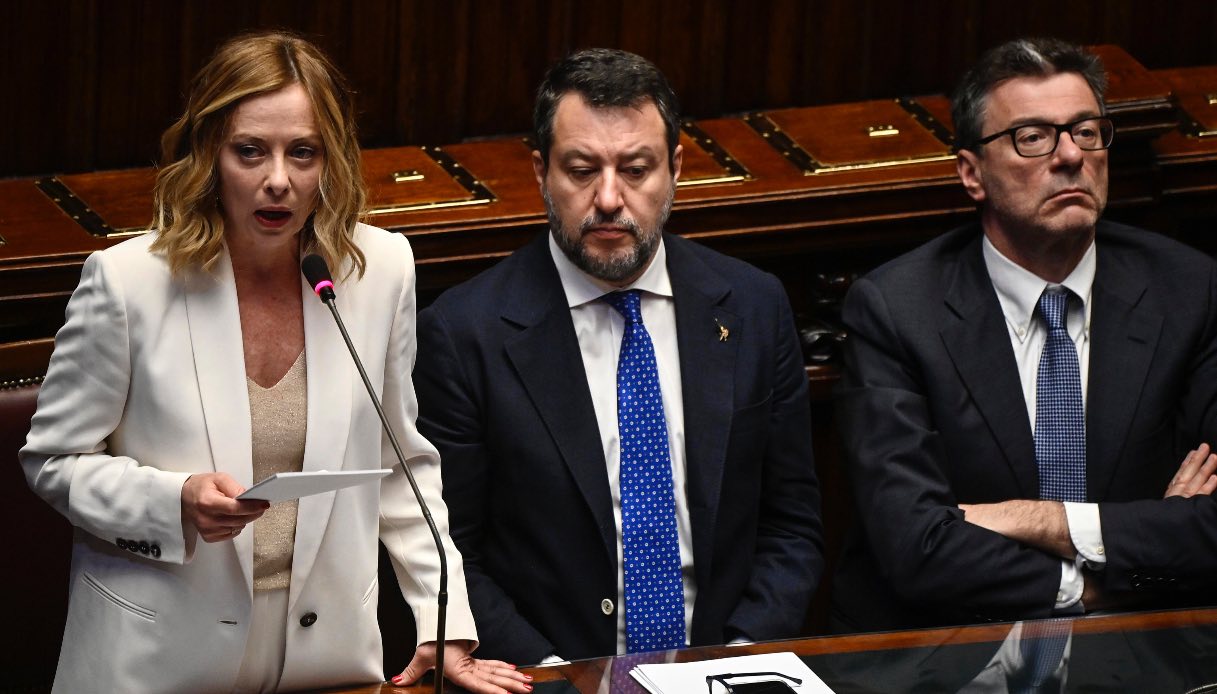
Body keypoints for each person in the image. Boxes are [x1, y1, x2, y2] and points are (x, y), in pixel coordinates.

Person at [20, 31, 531, 694]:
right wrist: (172, 500)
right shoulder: (127, 283)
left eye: (303, 153)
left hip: (324, 658)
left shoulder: (378, 271)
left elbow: (401, 462)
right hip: (156, 659)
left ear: (331, 160)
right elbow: (52, 462)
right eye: (250, 151)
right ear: (210, 154)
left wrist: (446, 620)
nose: (279, 180)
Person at [413, 48, 824, 665]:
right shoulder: (464, 332)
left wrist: (741, 656)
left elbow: (791, 525)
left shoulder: (753, 306)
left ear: (675, 168)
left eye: (635, 169)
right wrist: (553, 675)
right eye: (582, 171)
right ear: (541, 172)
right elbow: (450, 549)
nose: (609, 199)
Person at [831, 37, 1217, 634]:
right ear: (972, 173)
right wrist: (1099, 583)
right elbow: (918, 548)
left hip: (1142, 654)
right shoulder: (896, 309)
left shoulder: (1189, 290)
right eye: (1032, 137)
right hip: (952, 652)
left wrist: (1038, 521)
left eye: (1086, 131)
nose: (1071, 155)